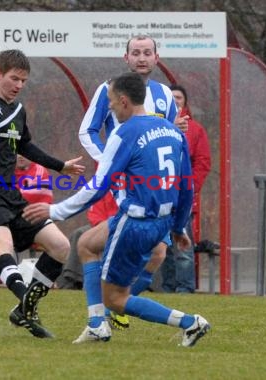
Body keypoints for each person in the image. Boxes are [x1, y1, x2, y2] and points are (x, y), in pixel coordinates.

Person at [23, 72, 210, 346]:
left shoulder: (125, 133)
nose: (108, 107)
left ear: (123, 101)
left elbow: (98, 187)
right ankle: (97, 325)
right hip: (160, 221)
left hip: (134, 223)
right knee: (86, 244)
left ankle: (189, 322)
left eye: (110, 101)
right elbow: (186, 187)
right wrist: (179, 227)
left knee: (116, 299)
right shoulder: (173, 131)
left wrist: (55, 211)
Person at [0, 49, 85, 338]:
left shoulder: (18, 110)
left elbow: (26, 147)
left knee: (61, 247)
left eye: (24, 80)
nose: (19, 85)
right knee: (4, 243)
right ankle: (25, 303)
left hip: (11, 195)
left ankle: (24, 308)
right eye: (14, 78)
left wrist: (60, 166)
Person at [77, 35, 184, 328]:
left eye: (147, 52)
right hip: (124, 188)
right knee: (93, 245)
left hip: (154, 191)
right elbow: (87, 132)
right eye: (135, 53)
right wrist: (111, 166)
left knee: (158, 253)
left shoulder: (164, 94)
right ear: (125, 58)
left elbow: (170, 139)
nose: (141, 58)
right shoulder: (108, 89)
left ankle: (112, 307)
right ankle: (100, 315)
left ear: (156, 57)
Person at [159, 84, 212, 293]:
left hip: (183, 197)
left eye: (179, 98)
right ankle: (168, 288)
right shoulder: (158, 128)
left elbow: (203, 161)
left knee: (183, 245)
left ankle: (185, 289)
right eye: (171, 98)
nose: (175, 101)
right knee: (165, 245)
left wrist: (191, 187)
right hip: (161, 195)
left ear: (185, 102)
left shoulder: (196, 130)